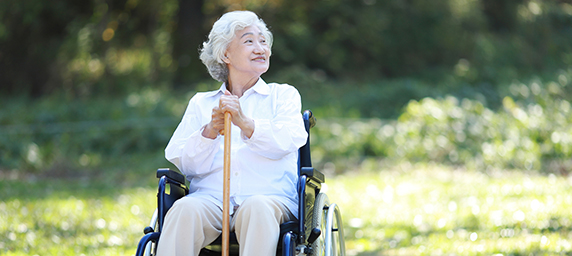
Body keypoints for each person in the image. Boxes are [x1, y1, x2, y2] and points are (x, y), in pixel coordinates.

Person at [156, 10, 308, 256]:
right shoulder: (201, 104)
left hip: (269, 197)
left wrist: (245, 123)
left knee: (256, 207)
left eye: (263, 41)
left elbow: (290, 139)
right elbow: (184, 163)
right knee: (185, 209)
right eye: (249, 41)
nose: (260, 48)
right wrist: (209, 131)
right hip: (212, 199)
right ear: (225, 53)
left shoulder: (283, 95)